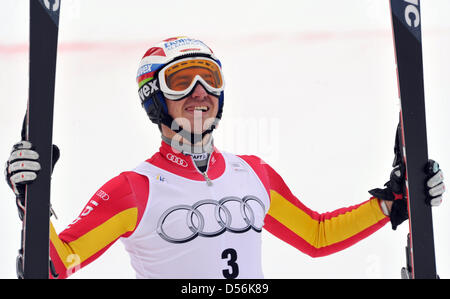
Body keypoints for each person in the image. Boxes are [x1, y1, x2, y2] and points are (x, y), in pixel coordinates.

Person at [5, 36, 445, 279]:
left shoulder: (252, 173)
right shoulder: (134, 190)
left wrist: (392, 200)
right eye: (181, 81)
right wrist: (31, 202)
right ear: (154, 98)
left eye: (209, 78)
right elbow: (57, 265)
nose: (200, 92)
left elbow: (316, 235)